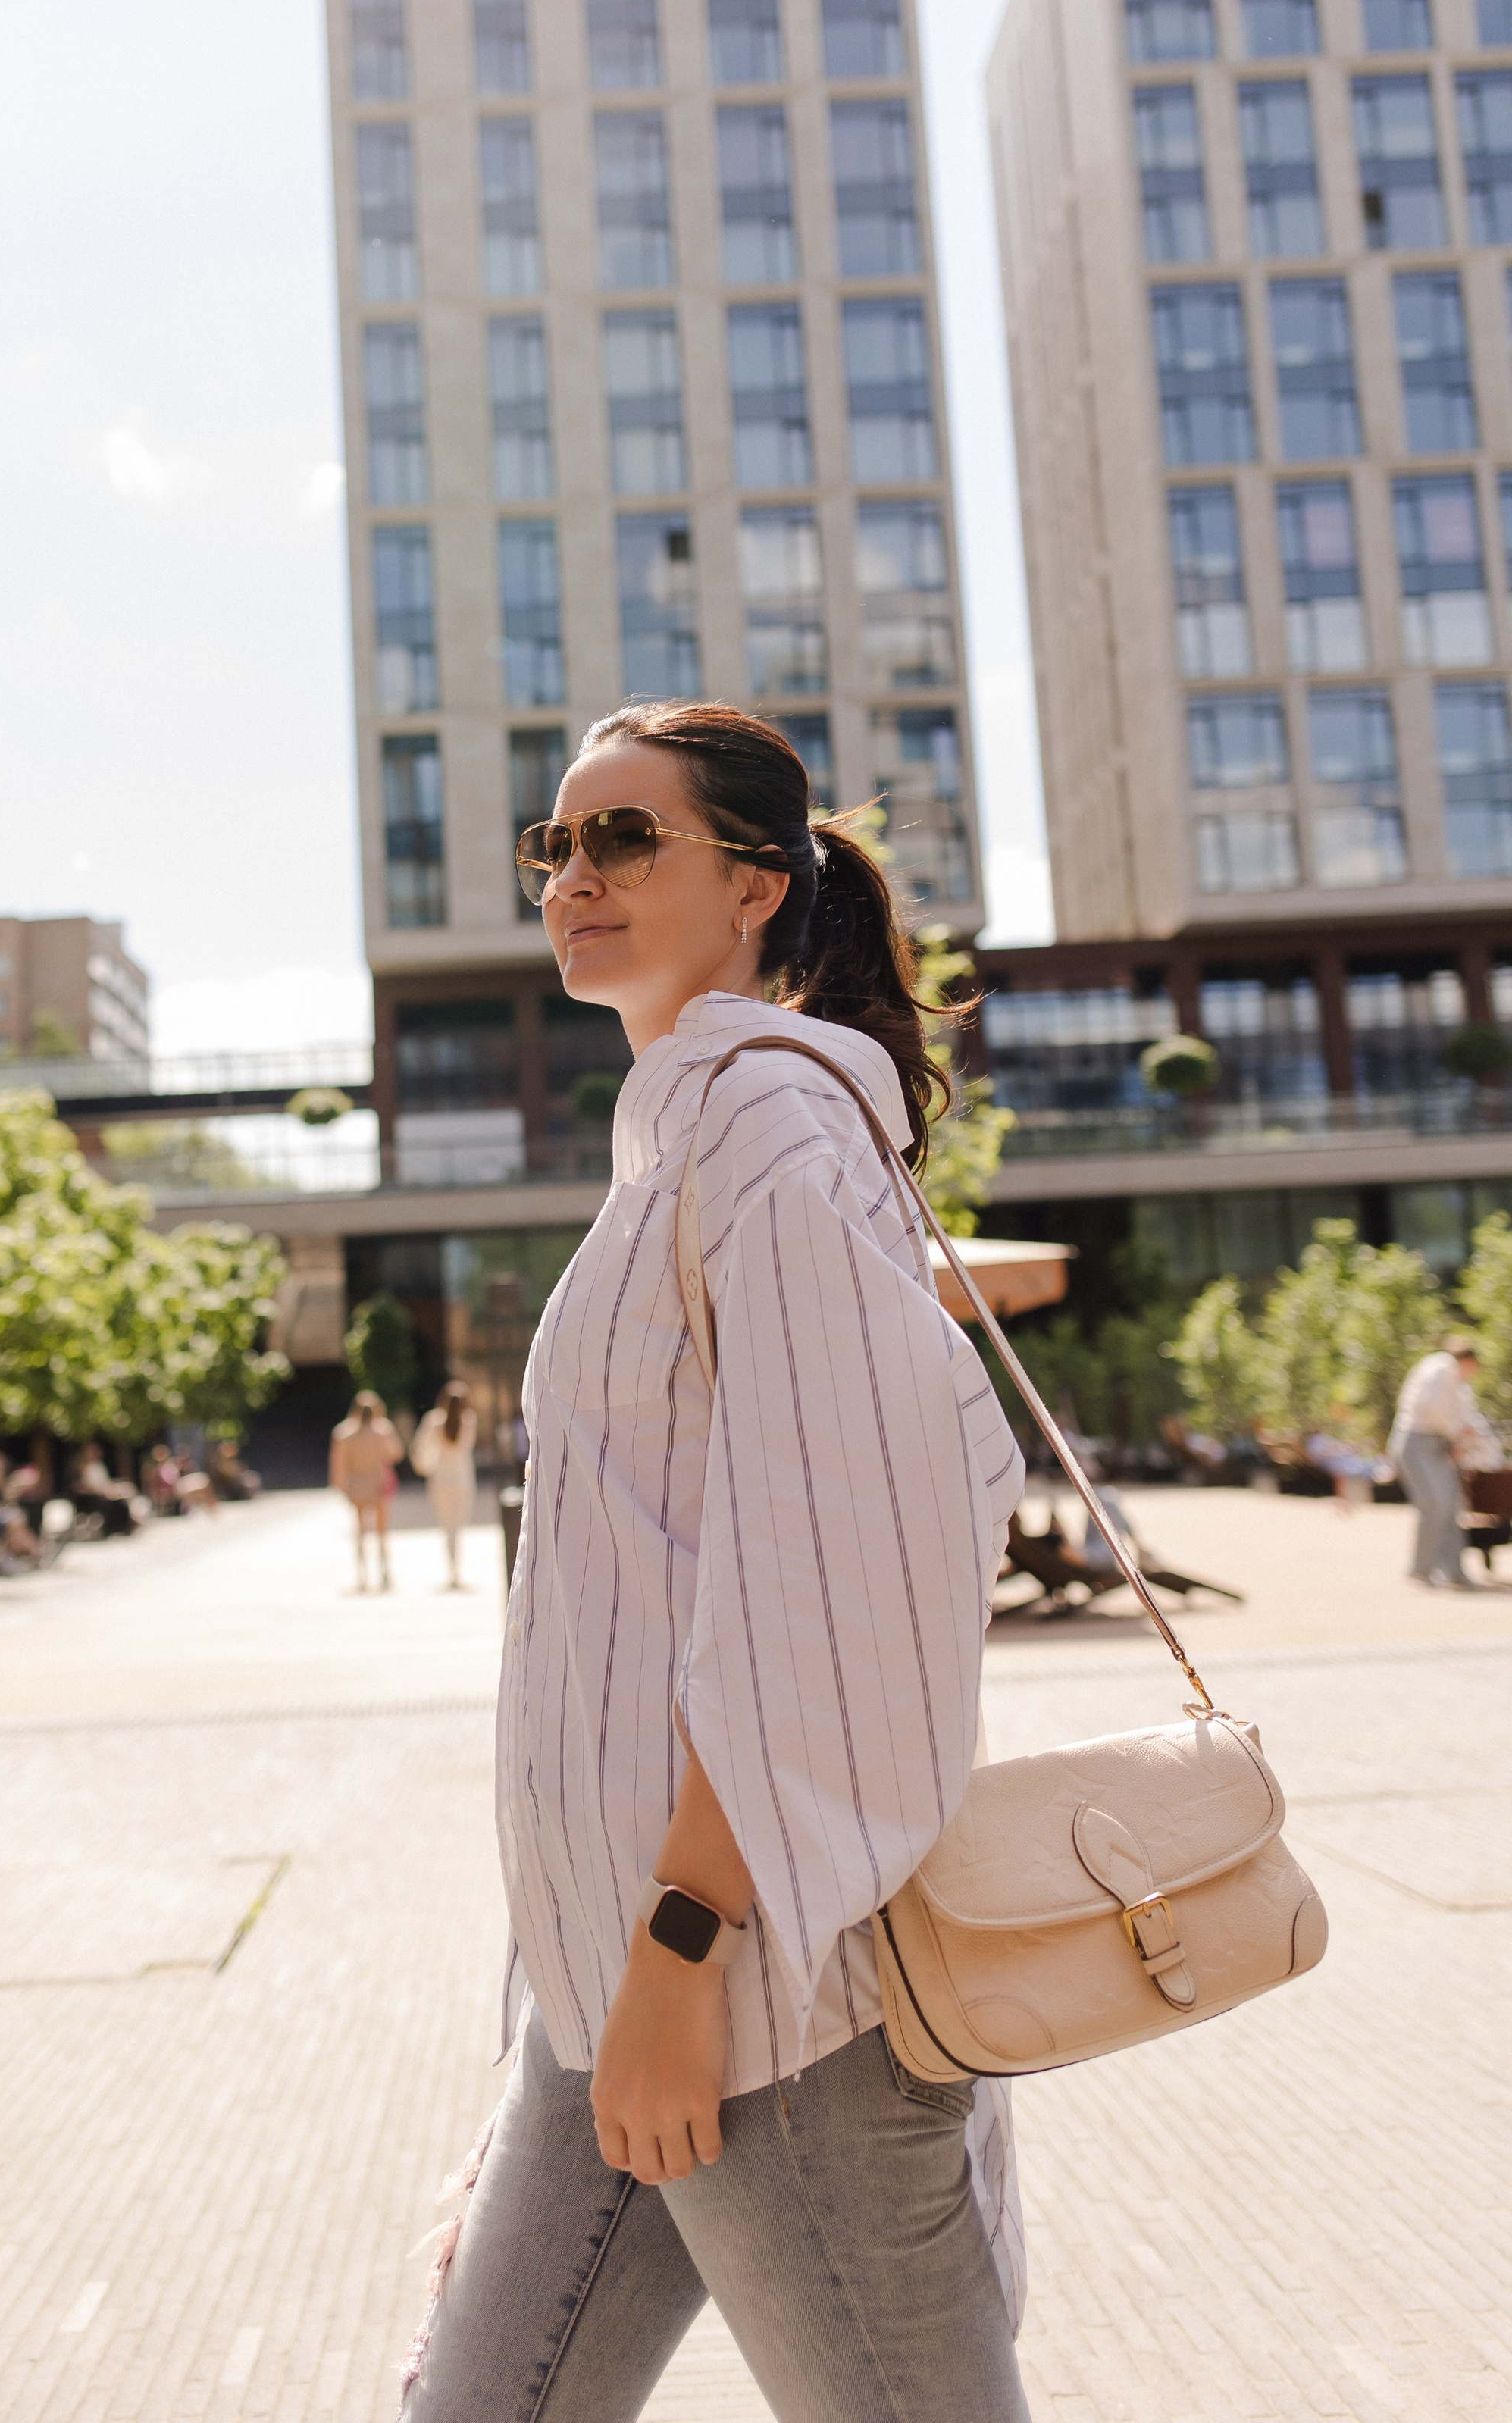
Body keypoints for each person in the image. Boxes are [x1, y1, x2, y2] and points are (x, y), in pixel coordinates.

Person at [402, 701, 1029, 2423]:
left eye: (622, 836)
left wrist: (679, 1947)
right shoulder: (685, 1133)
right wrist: (588, 1986)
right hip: (620, 1975)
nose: (570, 876)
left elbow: (834, 1577)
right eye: (554, 844)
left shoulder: (768, 1130)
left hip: (759, 1990)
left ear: (756, 884)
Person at [1389, 1336, 1498, 1586]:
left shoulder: (1457, 1382)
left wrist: (1470, 1438)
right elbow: (1432, 1409)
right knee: (1434, 1503)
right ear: (1468, 1360)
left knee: (1451, 1505)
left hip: (1440, 1446)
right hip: (1416, 1442)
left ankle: (1452, 1570)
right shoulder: (1440, 1368)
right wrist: (1458, 1433)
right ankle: (1421, 1569)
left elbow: (1465, 1416)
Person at [329, 1390, 402, 1592]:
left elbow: (339, 1464)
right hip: (378, 1484)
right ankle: (384, 1572)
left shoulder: (345, 1432)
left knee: (360, 1532)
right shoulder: (383, 1430)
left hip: (357, 1485)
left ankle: (363, 1575)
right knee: (381, 1532)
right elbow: (396, 1453)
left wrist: (340, 1487)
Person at [411, 1379, 478, 1589]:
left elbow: (419, 1447)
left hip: (440, 1479)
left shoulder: (433, 1420)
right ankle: (456, 1570)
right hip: (462, 1478)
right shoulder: (469, 1420)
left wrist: (422, 1466)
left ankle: (452, 1570)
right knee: (458, 1526)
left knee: (447, 1526)